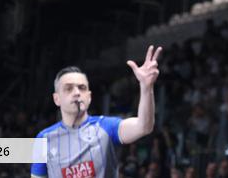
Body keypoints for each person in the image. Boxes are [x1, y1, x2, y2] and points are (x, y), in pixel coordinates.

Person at [30, 46, 162, 178]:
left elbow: (144, 126)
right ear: (56, 99)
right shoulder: (44, 139)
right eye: (68, 89)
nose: (76, 93)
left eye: (81, 88)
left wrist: (146, 87)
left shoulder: (107, 127)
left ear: (89, 96)